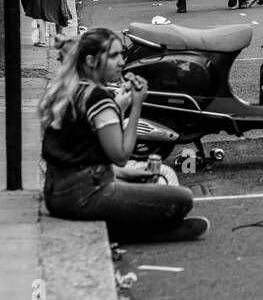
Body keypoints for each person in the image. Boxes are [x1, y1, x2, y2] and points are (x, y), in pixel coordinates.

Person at [40, 29, 207, 243]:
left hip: (57, 194)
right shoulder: (98, 98)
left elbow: (85, 145)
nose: (121, 61)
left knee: (148, 180)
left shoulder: (69, 91)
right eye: (113, 56)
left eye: (121, 54)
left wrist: (119, 107)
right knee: (183, 198)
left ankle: (130, 224)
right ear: (91, 61)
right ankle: (135, 232)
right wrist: (136, 105)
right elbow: (120, 155)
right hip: (87, 195)